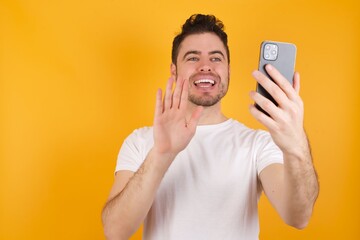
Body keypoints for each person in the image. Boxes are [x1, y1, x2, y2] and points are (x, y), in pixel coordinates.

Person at [101, 14, 319, 240]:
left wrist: (297, 146)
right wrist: (161, 154)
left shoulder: (258, 144)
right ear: (174, 70)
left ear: (228, 70)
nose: (205, 66)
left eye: (216, 59)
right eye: (193, 58)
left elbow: (299, 217)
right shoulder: (140, 142)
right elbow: (115, 231)